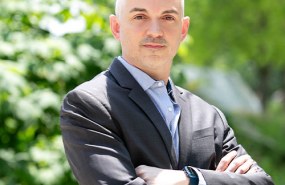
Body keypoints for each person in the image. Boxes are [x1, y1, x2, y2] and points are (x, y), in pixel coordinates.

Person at [60, 0, 274, 184]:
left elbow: (262, 182)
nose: (155, 31)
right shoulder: (88, 104)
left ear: (183, 29)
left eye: (168, 17)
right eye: (140, 16)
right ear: (116, 27)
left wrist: (191, 179)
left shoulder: (208, 115)